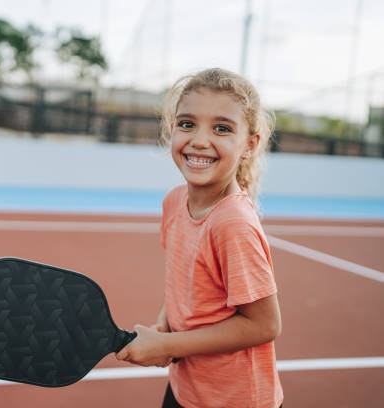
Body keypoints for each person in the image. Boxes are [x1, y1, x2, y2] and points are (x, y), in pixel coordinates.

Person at [116, 68, 283, 408]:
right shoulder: (175, 201)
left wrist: (166, 347)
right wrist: (163, 325)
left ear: (250, 145)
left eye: (221, 128)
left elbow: (264, 324)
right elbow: (181, 284)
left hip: (236, 400)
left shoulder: (233, 223)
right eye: (187, 124)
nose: (200, 140)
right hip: (186, 390)